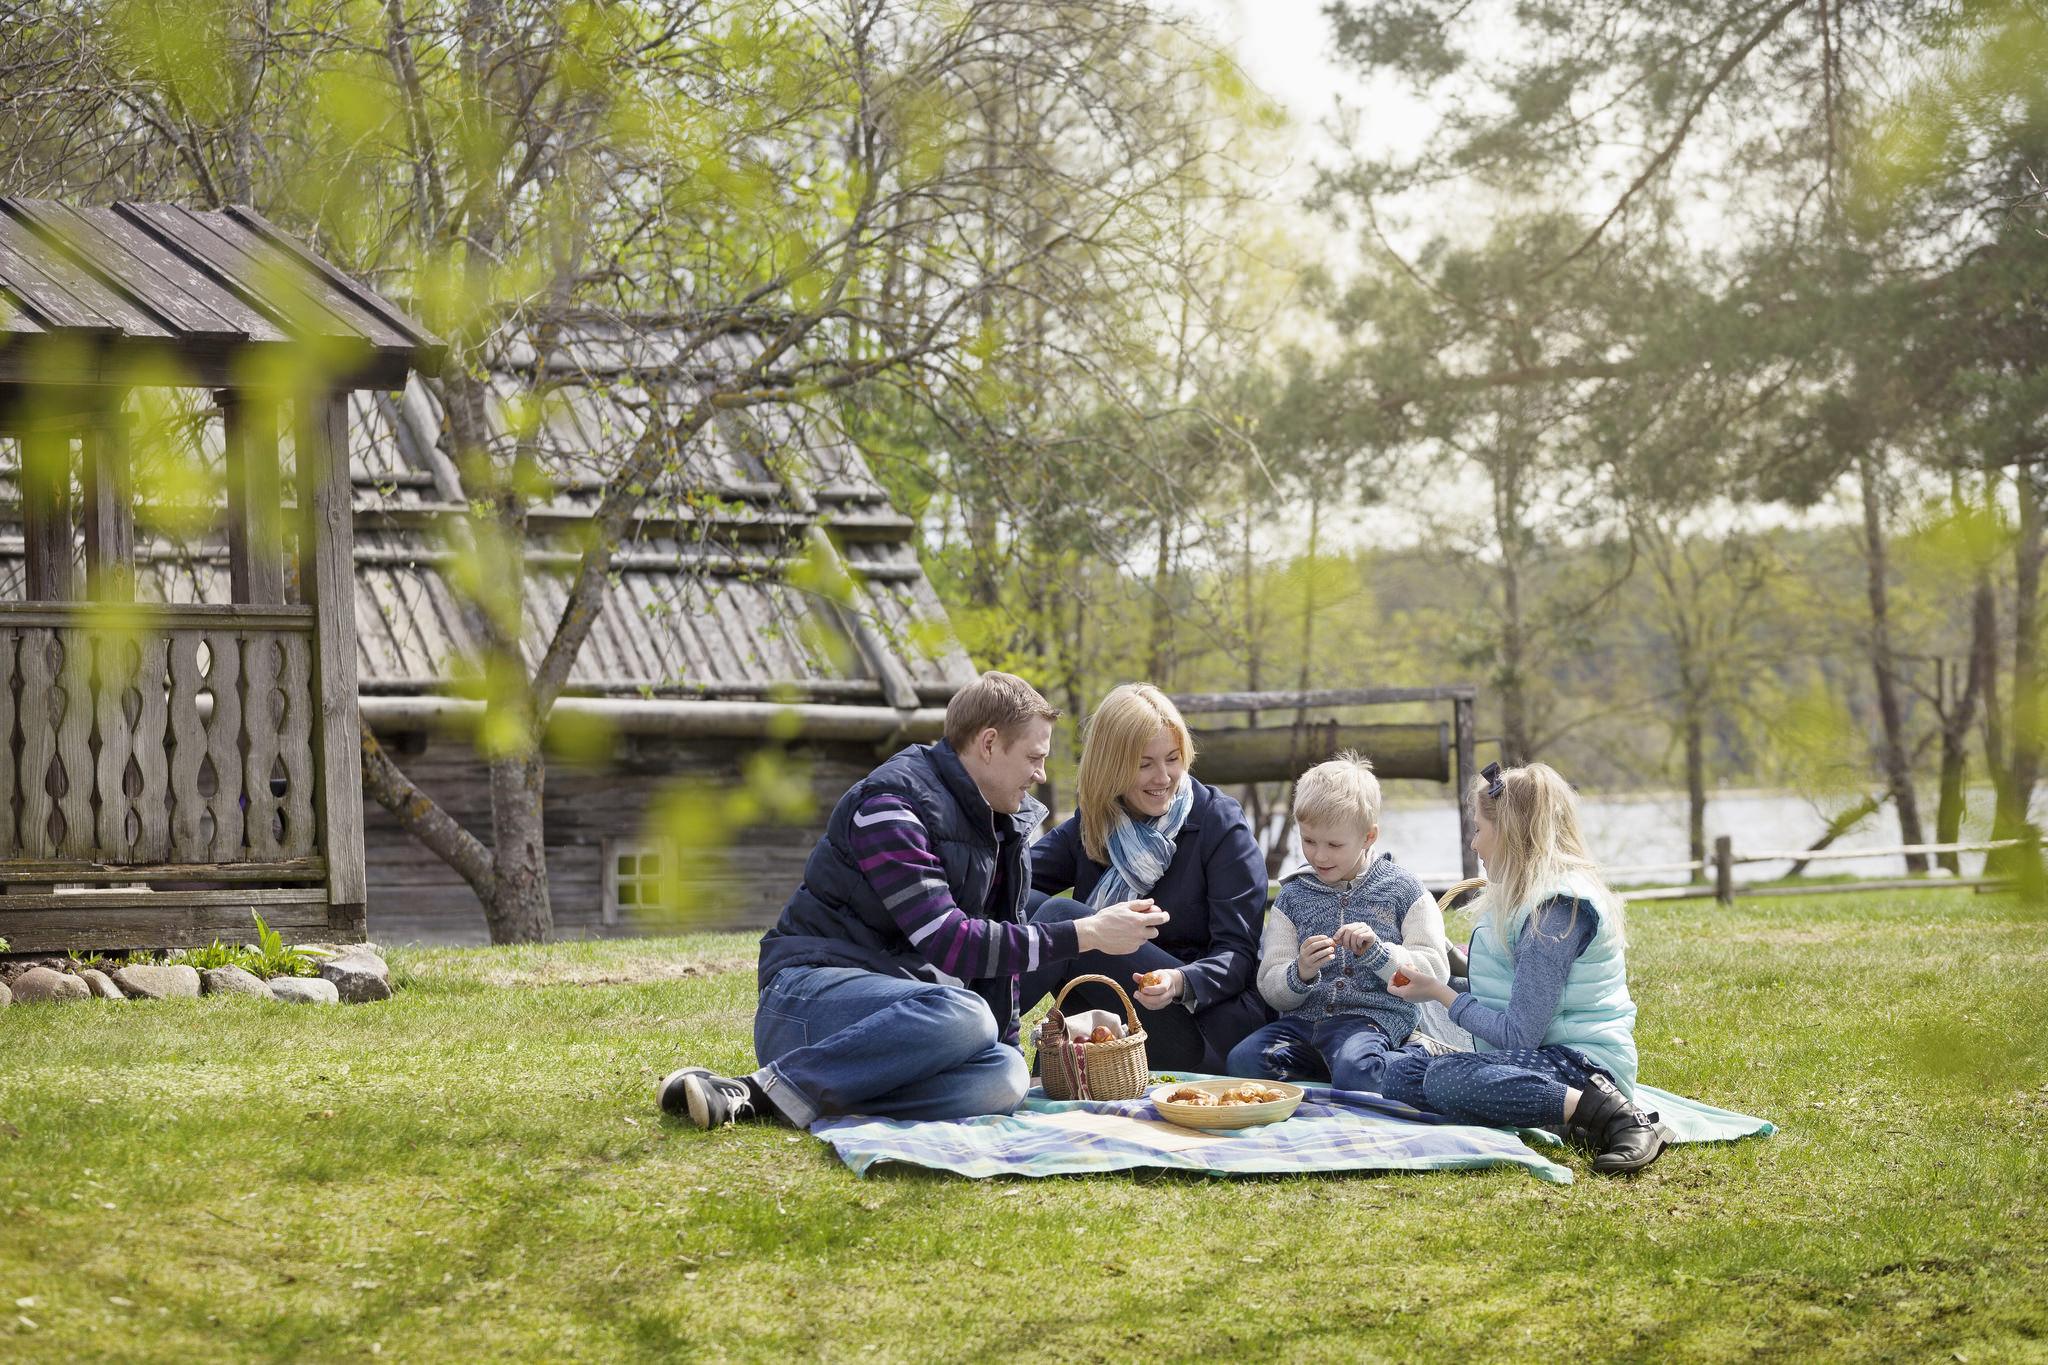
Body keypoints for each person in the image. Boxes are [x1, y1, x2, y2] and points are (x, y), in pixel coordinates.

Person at [658, 671, 1168, 1129]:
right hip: (808, 1002)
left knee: (1005, 1077)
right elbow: (950, 943)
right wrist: (1089, 933)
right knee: (967, 1016)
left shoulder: (1002, 821)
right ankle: (757, 1089)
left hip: (899, 1028)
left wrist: (1009, 1046)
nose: (1040, 773)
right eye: (1034, 757)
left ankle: (811, 1096)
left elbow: (998, 966)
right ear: (989, 744)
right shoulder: (891, 805)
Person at [1379, 761, 1668, 1174]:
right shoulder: (1522, 899)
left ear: (1511, 833)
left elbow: (1519, 1036)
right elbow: (1509, 998)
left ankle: (1618, 1117)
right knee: (1401, 1076)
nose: (1475, 845)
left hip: (1583, 1065)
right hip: (1542, 1059)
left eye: (1479, 830)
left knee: (1447, 1078)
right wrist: (1439, 982)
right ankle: (1566, 1117)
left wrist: (1441, 995)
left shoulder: (1555, 915)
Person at [1021, 684, 1270, 1072]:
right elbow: (1014, 880)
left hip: (1196, 1027)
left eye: (1173, 759)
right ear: (1111, 765)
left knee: (1057, 916)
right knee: (1024, 903)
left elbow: (1237, 955)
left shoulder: (1219, 823)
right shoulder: (1098, 821)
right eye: (1144, 764)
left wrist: (1179, 980)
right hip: (1116, 1008)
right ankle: (965, 1016)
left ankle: (977, 1034)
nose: (1164, 776)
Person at [1223, 753, 1449, 1092]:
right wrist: (1299, 972)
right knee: (1243, 1062)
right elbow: (1271, 986)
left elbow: (1436, 971)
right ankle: (1337, 1077)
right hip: (1301, 1028)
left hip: (1371, 1024)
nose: (1319, 855)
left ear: (1369, 837)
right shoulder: (1292, 897)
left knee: (1356, 1068)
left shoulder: (1404, 890)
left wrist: (1380, 954)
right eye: (1309, 841)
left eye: (1334, 844)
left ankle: (1413, 1054)